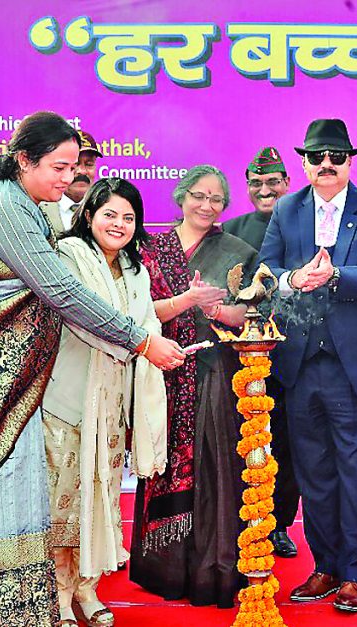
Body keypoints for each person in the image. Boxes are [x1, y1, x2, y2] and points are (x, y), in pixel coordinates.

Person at [0, 111, 184, 625]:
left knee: (12, 488)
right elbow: (59, 290)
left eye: (74, 167)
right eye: (59, 167)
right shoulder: (3, 205)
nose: (68, 178)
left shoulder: (34, 207)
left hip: (4, 373)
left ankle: (8, 610)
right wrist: (142, 341)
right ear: (23, 160)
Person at [259, 118, 357, 613]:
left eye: (336, 156)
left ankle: (355, 574)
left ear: (350, 162)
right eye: (317, 156)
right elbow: (267, 271)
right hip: (299, 364)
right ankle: (325, 565)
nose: (326, 164)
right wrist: (293, 278)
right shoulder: (287, 209)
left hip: (354, 367)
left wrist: (335, 275)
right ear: (304, 163)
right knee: (314, 472)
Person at [130, 164, 258, 608]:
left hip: (212, 372)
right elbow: (135, 311)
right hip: (159, 370)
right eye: (199, 196)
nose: (207, 205)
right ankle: (164, 568)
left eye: (216, 199)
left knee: (213, 468)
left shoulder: (237, 251)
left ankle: (212, 569)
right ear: (182, 197)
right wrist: (184, 301)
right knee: (161, 462)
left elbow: (248, 316)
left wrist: (215, 310)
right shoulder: (149, 248)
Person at [41, 178, 168, 626]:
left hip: (112, 405)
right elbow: (84, 318)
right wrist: (144, 345)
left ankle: (86, 588)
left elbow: (146, 323)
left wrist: (154, 346)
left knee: (102, 496)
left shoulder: (136, 271)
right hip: (68, 400)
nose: (119, 224)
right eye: (109, 214)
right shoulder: (67, 256)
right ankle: (58, 594)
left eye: (128, 217)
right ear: (89, 215)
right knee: (64, 502)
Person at [221, 146, 299, 558]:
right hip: (238, 356)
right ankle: (236, 520)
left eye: (272, 182)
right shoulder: (230, 231)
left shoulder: (305, 225)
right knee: (237, 439)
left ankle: (279, 524)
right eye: (256, 183)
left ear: (287, 183)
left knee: (286, 443)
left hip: (292, 354)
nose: (265, 190)